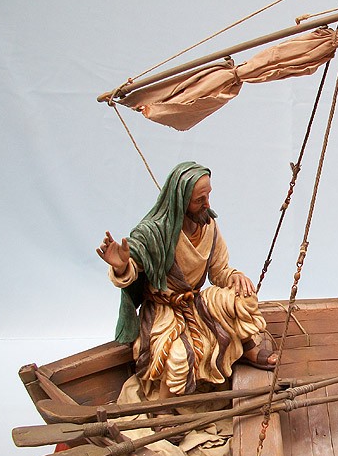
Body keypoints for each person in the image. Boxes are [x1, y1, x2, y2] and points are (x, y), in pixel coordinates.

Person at [97, 161, 277, 400]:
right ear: (180, 200)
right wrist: (121, 266)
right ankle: (162, 408)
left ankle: (246, 348)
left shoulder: (208, 226)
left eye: (208, 196)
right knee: (179, 356)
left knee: (243, 297)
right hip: (165, 312)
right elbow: (133, 265)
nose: (207, 204)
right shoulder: (154, 233)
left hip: (196, 303)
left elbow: (219, 271)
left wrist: (234, 276)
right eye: (199, 200)